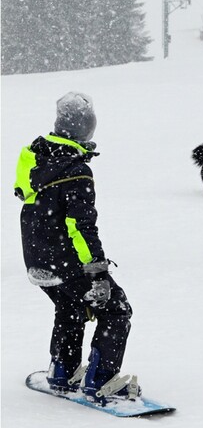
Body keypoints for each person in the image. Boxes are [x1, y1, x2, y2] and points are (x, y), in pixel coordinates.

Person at [14, 92, 140, 405]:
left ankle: (62, 371)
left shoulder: (39, 163)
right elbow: (80, 228)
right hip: (65, 260)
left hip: (37, 263)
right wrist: (97, 271)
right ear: (85, 130)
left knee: (70, 306)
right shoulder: (75, 170)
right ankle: (102, 380)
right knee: (116, 309)